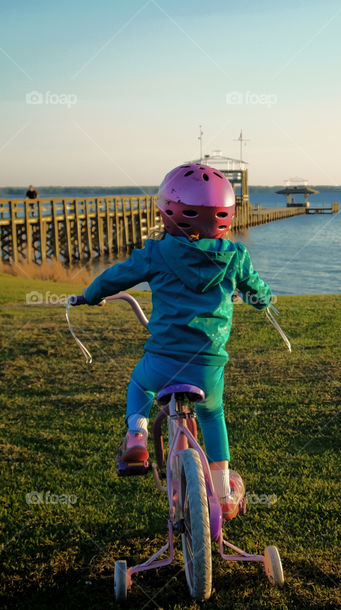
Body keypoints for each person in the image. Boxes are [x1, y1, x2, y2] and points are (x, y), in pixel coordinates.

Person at [82, 163, 274, 520]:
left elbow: (115, 277)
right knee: (213, 414)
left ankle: (137, 436)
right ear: (226, 216)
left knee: (140, 385)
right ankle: (222, 493)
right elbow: (259, 293)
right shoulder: (236, 258)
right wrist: (262, 299)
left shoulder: (157, 253)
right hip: (208, 366)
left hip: (163, 362)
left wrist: (90, 295)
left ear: (168, 212)